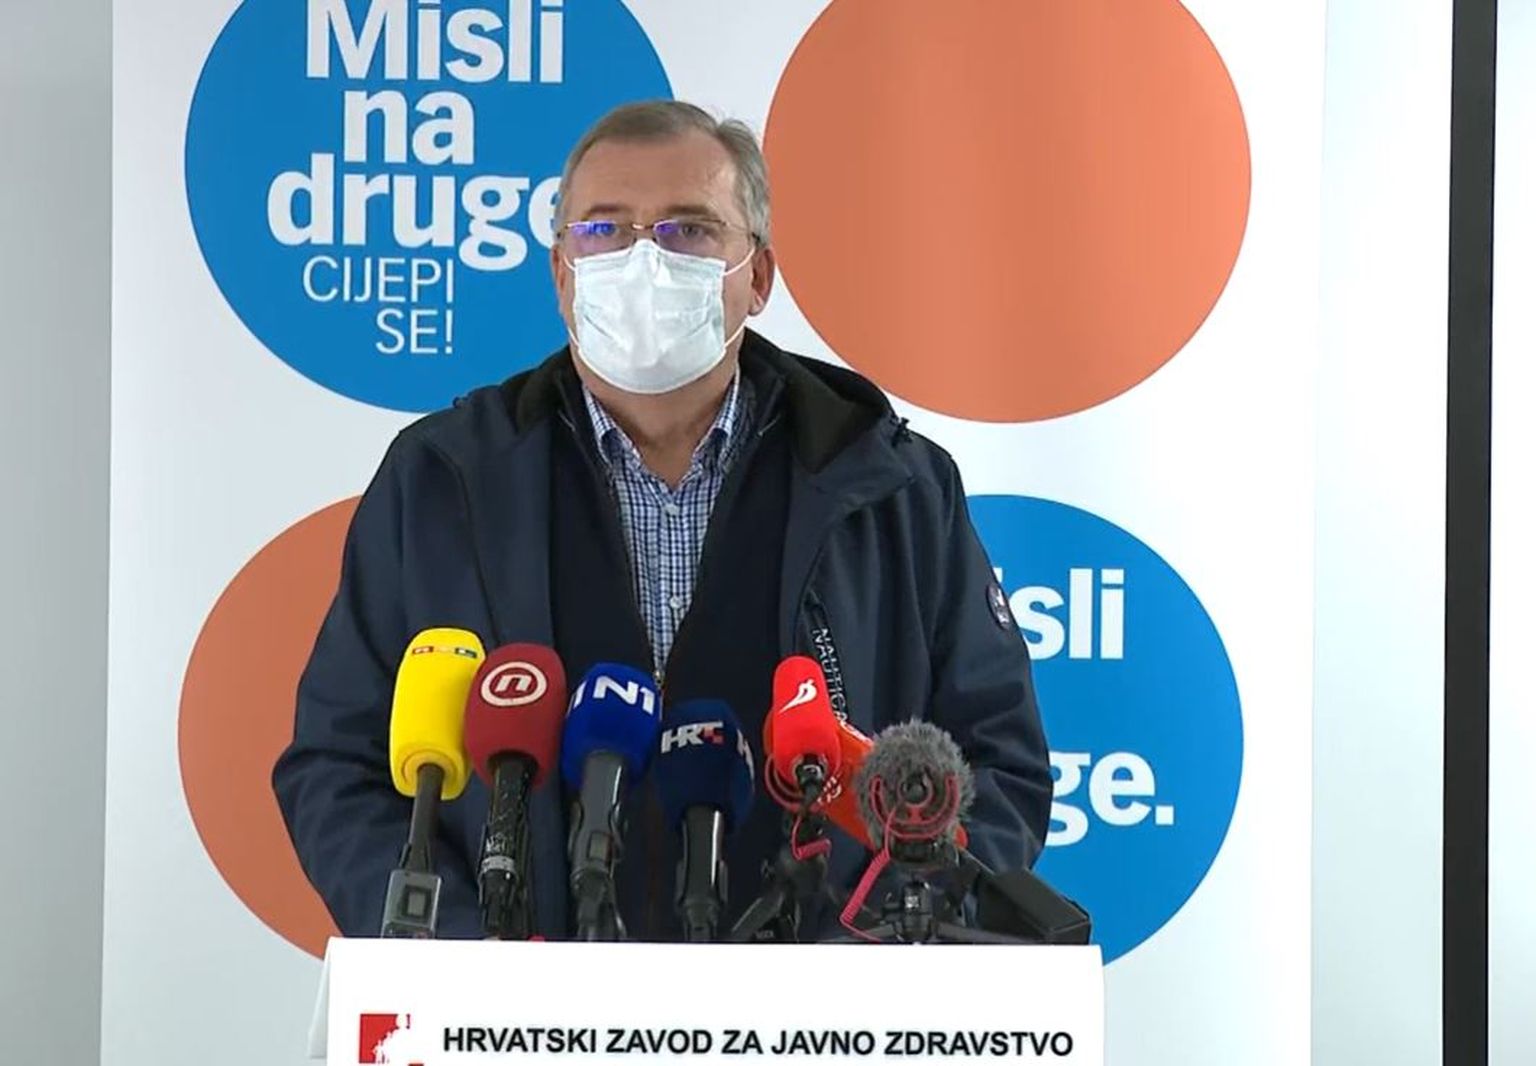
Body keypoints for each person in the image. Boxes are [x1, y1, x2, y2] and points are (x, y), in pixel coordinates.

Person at [273, 100, 1052, 941]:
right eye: (604, 231)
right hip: (516, 1005)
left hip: (820, 1006)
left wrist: (868, 952)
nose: (643, 261)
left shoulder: (893, 484)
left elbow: (996, 768)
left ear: (757, 277)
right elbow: (338, 768)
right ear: (562, 274)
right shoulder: (443, 480)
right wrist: (477, 965)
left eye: (688, 231)